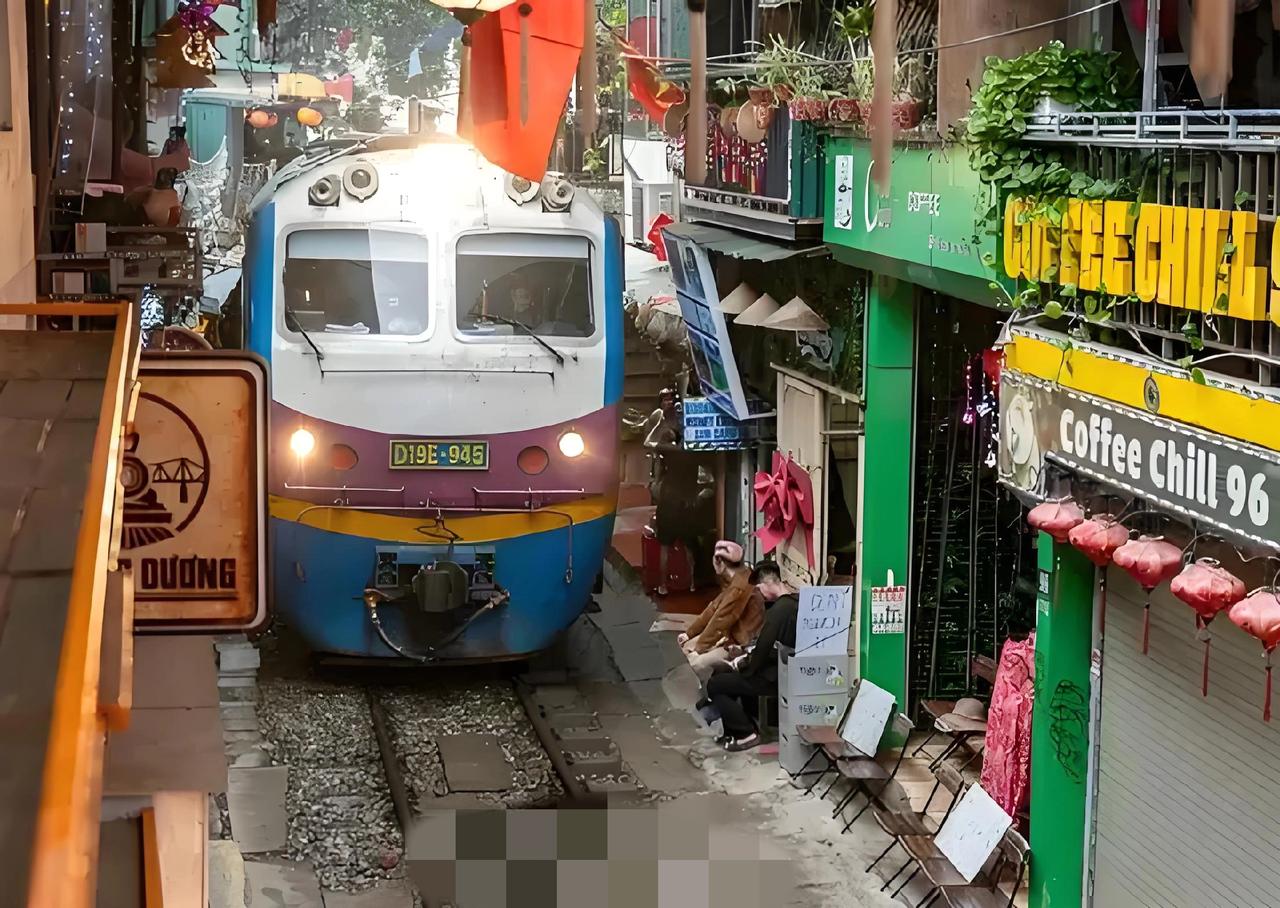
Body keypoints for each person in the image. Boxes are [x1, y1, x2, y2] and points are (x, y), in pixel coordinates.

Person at [705, 561, 799, 752]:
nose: (760, 593)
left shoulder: (778, 611)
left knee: (715, 684)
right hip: (782, 669)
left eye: (759, 587)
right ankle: (737, 728)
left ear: (768, 583)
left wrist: (743, 665)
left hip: (774, 676)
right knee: (723, 675)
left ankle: (746, 733)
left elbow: (763, 648)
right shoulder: (792, 603)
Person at [677, 541, 764, 684]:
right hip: (735, 637)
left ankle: (710, 689)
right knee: (688, 647)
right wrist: (690, 633)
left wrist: (699, 648)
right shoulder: (741, 576)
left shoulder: (739, 587)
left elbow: (721, 620)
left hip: (743, 645)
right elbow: (714, 608)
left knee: (696, 663)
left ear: (719, 562)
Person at [645, 389, 701, 595]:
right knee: (689, 546)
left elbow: (648, 442)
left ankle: (663, 585)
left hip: (669, 500)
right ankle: (693, 583)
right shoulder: (692, 450)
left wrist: (661, 423)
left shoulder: (667, 451)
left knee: (664, 546)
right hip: (688, 501)